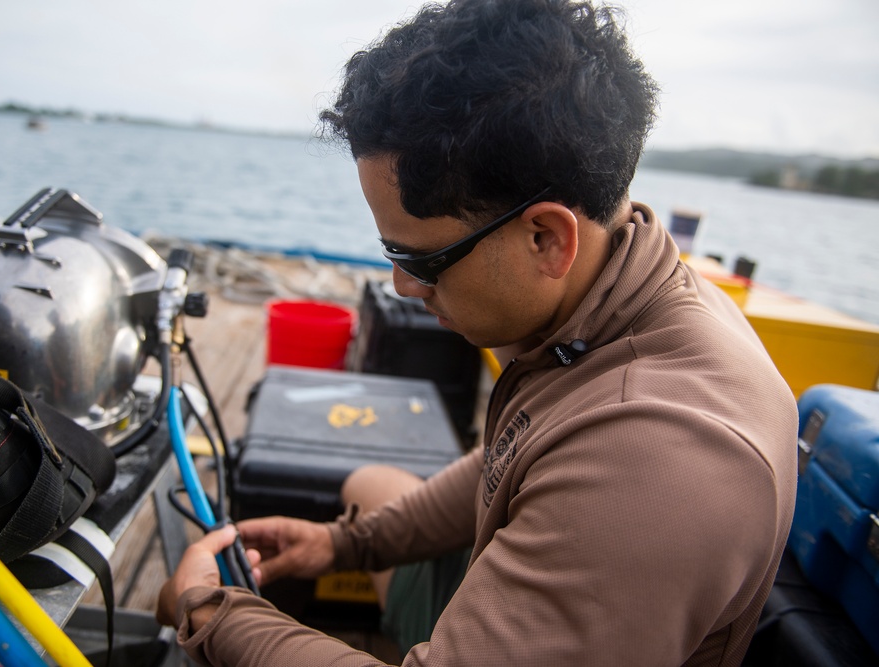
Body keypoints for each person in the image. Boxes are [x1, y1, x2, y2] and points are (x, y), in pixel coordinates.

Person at [156, 1, 798, 664]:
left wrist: (211, 613)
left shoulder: (654, 464)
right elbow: (516, 448)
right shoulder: (630, 294)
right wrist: (344, 545)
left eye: (420, 259)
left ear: (548, 239)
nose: (403, 286)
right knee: (366, 487)